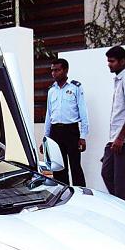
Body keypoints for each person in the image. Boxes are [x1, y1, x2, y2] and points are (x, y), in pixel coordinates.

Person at [101, 46, 125, 206]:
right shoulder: (119, 81)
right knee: (106, 173)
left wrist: (121, 138)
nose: (109, 64)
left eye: (112, 61)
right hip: (114, 138)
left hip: (122, 140)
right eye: (108, 61)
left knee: (121, 181)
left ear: (122, 61)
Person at [42, 58, 89, 186]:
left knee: (75, 166)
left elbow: (83, 112)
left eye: (57, 70)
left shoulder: (75, 88)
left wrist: (83, 136)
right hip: (55, 132)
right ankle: (63, 195)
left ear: (66, 70)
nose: (54, 73)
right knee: (58, 167)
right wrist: (45, 137)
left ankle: (81, 194)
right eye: (52, 70)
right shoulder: (51, 90)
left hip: (71, 131)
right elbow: (49, 115)